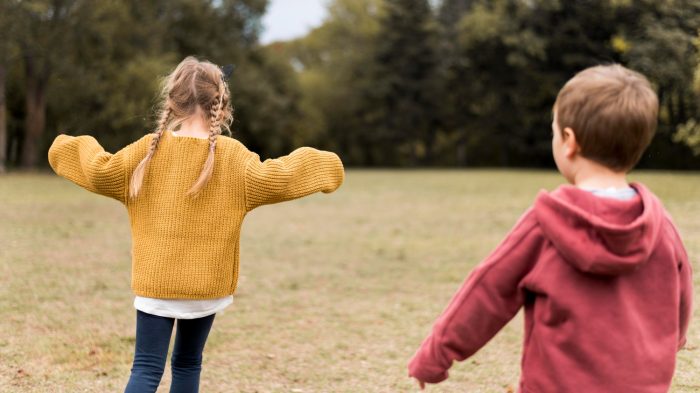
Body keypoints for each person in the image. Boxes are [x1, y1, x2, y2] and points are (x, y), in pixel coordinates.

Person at [47, 56, 345, 393]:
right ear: (221, 103)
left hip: (155, 284)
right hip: (206, 287)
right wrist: (326, 164)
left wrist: (64, 147)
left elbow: (100, 170)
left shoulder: (147, 152)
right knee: (188, 363)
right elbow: (279, 176)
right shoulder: (235, 158)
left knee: (145, 369)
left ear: (172, 102)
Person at [408, 64, 693, 392]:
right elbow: (681, 292)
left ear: (569, 142)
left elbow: (487, 291)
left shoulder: (545, 224)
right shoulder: (659, 225)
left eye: (554, 130)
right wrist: (677, 337)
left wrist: (435, 354)